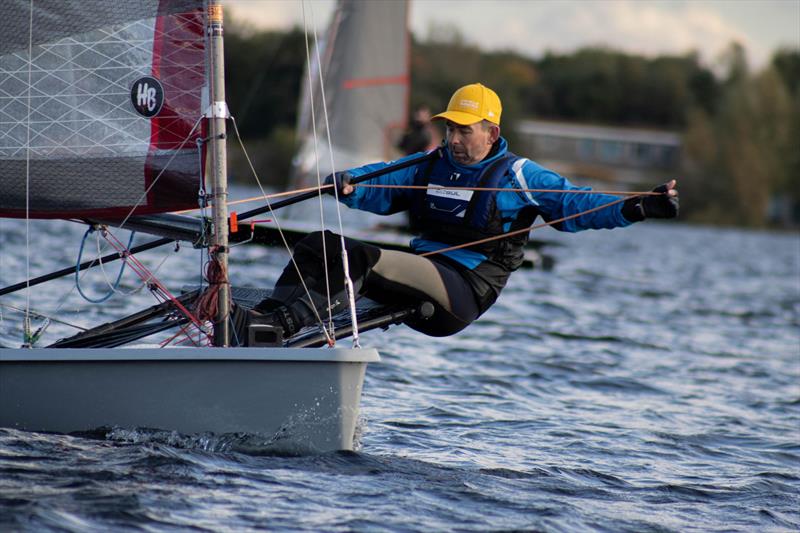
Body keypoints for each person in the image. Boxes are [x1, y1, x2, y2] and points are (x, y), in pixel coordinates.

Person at [243, 83, 678, 343]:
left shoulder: (518, 176)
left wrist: (638, 206)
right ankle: (263, 320)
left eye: (463, 131)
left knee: (353, 257)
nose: (453, 138)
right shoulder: (432, 163)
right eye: (450, 128)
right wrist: (348, 181)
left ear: (492, 134)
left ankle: (279, 330)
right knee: (314, 244)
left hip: (462, 294)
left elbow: (576, 205)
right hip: (421, 273)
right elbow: (379, 182)